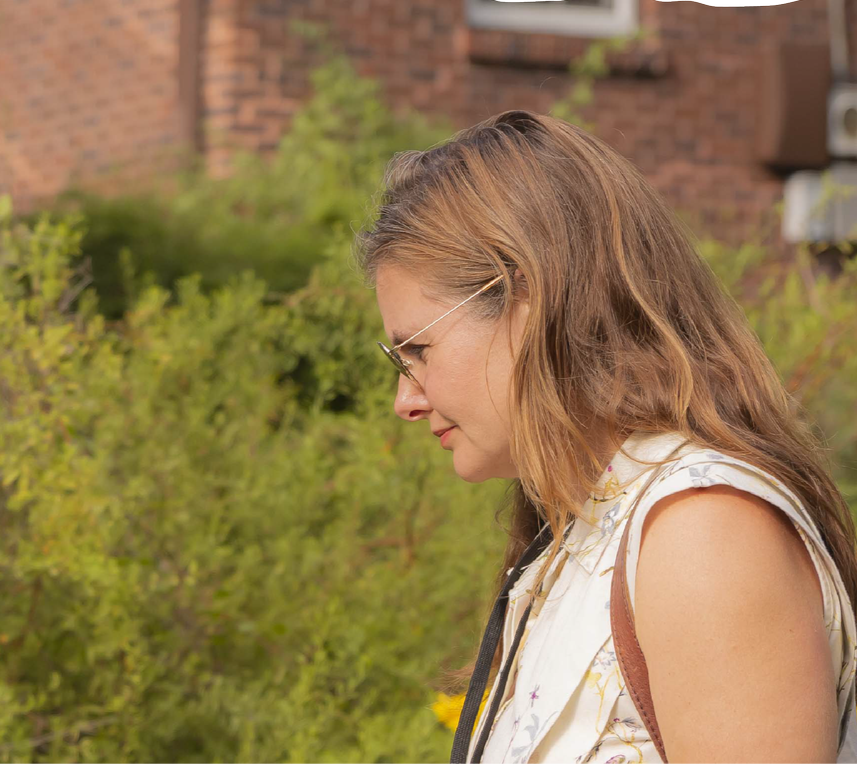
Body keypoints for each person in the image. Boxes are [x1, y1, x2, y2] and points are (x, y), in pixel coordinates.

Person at [356, 109, 857, 763]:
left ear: (524, 298)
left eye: (417, 350)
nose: (406, 400)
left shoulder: (703, 534)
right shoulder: (589, 530)